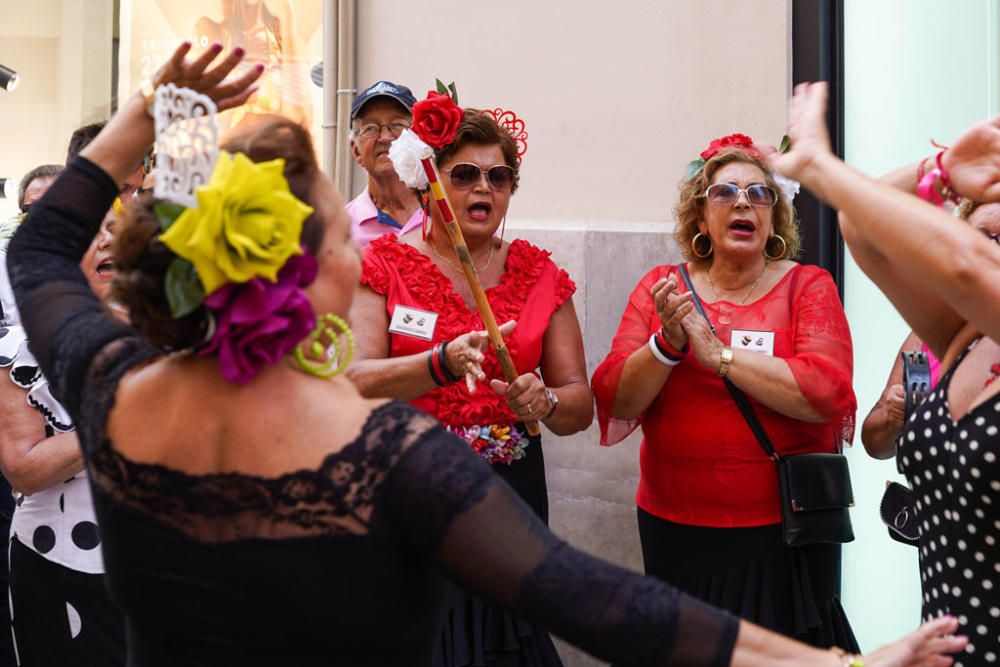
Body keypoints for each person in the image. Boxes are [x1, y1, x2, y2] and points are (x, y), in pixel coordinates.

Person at [6, 42, 966, 666]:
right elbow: (600, 601)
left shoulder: (111, 385)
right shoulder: (388, 459)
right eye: (347, 235)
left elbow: (39, 249)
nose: (370, 238)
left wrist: (152, 116)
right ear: (316, 279)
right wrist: (840, 663)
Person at [348, 97, 591, 666]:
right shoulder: (381, 265)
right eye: (465, 174)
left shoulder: (540, 275)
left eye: (499, 177)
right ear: (429, 182)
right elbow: (355, 380)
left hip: (512, 502)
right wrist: (439, 363)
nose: (485, 188)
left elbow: (580, 405)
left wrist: (546, 399)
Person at [592, 133, 859, 649]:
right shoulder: (661, 287)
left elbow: (824, 390)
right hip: (677, 532)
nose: (743, 203)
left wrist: (721, 357)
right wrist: (668, 345)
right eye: (725, 193)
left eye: (759, 194)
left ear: (774, 217)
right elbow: (617, 398)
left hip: (780, 533)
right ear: (700, 216)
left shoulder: (808, 286)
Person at [771, 79, 1000, 665]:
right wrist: (942, 168)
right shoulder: (962, 339)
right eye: (989, 235)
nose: (995, 250)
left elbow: (969, 267)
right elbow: (863, 231)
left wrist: (821, 168)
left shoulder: (975, 284)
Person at [0, 211, 124, 665]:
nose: (108, 242)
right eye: (92, 232)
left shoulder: (175, 341)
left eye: (118, 232)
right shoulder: (21, 349)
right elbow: (25, 469)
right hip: (64, 561)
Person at [861, 202, 1000, 459]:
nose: (990, 249)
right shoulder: (927, 334)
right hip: (928, 496)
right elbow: (874, 444)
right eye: (979, 238)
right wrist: (894, 420)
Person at [345, 80, 423, 246]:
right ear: (356, 150)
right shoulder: (342, 230)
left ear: (419, 139)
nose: (385, 137)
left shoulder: (444, 213)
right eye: (371, 128)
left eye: (398, 125)